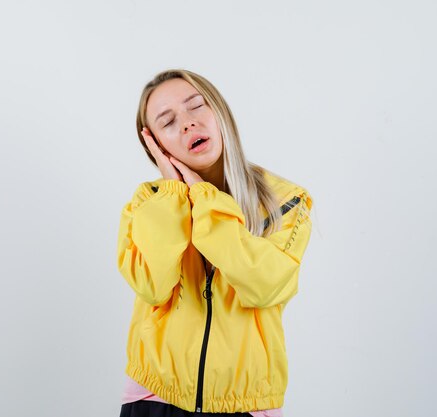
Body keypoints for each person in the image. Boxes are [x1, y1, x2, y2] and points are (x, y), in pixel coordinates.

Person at [116, 69, 314, 417]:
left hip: (245, 407)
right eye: (168, 121)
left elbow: (263, 285)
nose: (188, 124)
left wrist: (204, 199)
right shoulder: (146, 204)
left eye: (196, 106)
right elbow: (153, 287)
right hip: (156, 401)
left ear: (219, 112)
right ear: (156, 146)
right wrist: (176, 196)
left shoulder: (285, 202)